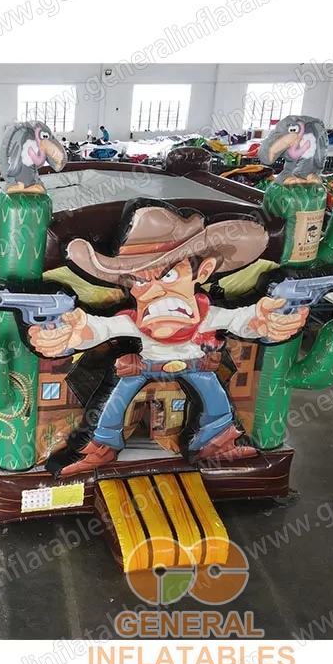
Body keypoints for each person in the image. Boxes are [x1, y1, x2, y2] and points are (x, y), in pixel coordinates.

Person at [28, 198, 308, 476]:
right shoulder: (134, 318)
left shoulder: (208, 314)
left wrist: (270, 320)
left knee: (215, 399)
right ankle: (99, 446)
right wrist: (66, 332)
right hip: (142, 365)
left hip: (196, 365)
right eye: (140, 281)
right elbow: (97, 328)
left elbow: (244, 320)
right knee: (113, 402)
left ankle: (216, 442)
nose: (154, 291)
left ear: (203, 272)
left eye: (169, 276)